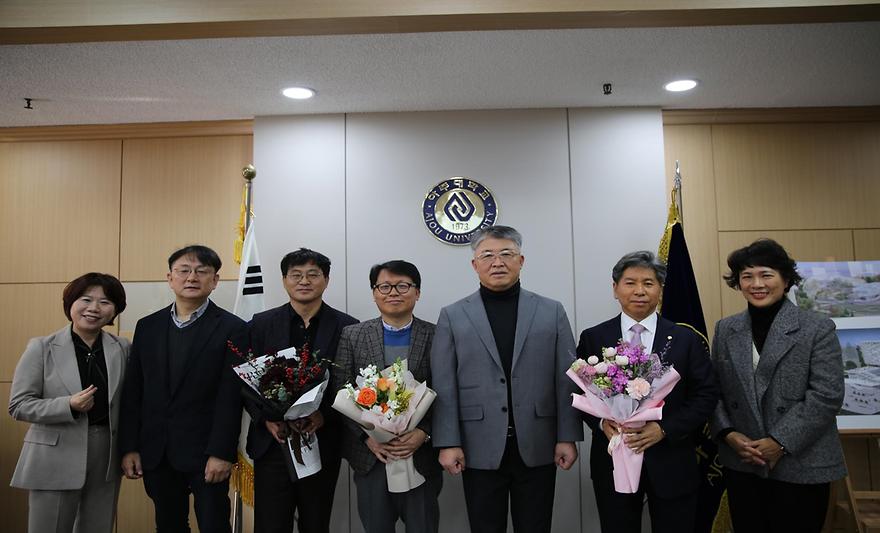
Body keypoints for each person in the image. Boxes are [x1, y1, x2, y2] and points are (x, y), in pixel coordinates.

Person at [431, 225, 582, 533]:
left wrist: (568, 435)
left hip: (538, 441)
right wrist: (448, 442)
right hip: (477, 445)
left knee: (536, 525)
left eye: (506, 254)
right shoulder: (453, 315)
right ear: (475, 264)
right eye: (487, 255)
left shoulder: (551, 311)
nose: (496, 262)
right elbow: (444, 385)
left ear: (521, 260)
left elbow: (567, 379)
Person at [710, 239, 846, 533]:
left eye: (766, 275)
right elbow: (714, 390)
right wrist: (729, 434)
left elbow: (826, 395)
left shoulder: (817, 327)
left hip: (802, 462)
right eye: (747, 276)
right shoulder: (725, 329)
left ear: (786, 280)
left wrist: (779, 442)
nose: (756, 284)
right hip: (743, 461)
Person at [577, 251, 718, 533]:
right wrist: (603, 423)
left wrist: (664, 429)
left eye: (649, 283)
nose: (639, 291)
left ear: (660, 289)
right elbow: (580, 393)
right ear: (615, 288)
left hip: (671, 459)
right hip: (613, 457)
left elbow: (706, 395)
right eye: (630, 283)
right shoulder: (594, 337)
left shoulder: (684, 338)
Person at [119, 245, 247, 533]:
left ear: (214, 281)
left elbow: (231, 397)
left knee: (214, 524)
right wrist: (130, 447)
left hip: (206, 453)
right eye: (184, 271)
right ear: (170, 277)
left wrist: (221, 452)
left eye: (202, 271)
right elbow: (134, 393)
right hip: (157, 450)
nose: (192, 277)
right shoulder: (148, 326)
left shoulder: (233, 328)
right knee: (168, 525)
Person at [245, 248, 357, 533]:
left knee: (316, 523)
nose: (304, 281)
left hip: (322, 440)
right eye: (296, 275)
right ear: (284, 280)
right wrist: (265, 418)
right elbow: (244, 382)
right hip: (274, 444)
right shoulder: (261, 324)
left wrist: (324, 417)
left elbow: (350, 384)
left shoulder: (347, 327)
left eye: (312, 274)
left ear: (326, 280)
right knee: (270, 525)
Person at [9, 272, 129, 533]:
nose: (94, 308)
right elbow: (18, 405)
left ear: (115, 311)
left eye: (105, 302)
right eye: (86, 299)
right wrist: (67, 405)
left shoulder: (123, 348)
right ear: (71, 304)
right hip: (54, 452)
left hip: (106, 453)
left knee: (97, 527)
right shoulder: (41, 347)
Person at [331, 260, 441, 533]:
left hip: (420, 456)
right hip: (371, 459)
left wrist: (424, 433)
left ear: (417, 292)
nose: (393, 292)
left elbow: (447, 393)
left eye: (403, 286)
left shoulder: (437, 335)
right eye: (385, 286)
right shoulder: (353, 335)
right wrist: (367, 437)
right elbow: (340, 390)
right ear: (374, 292)